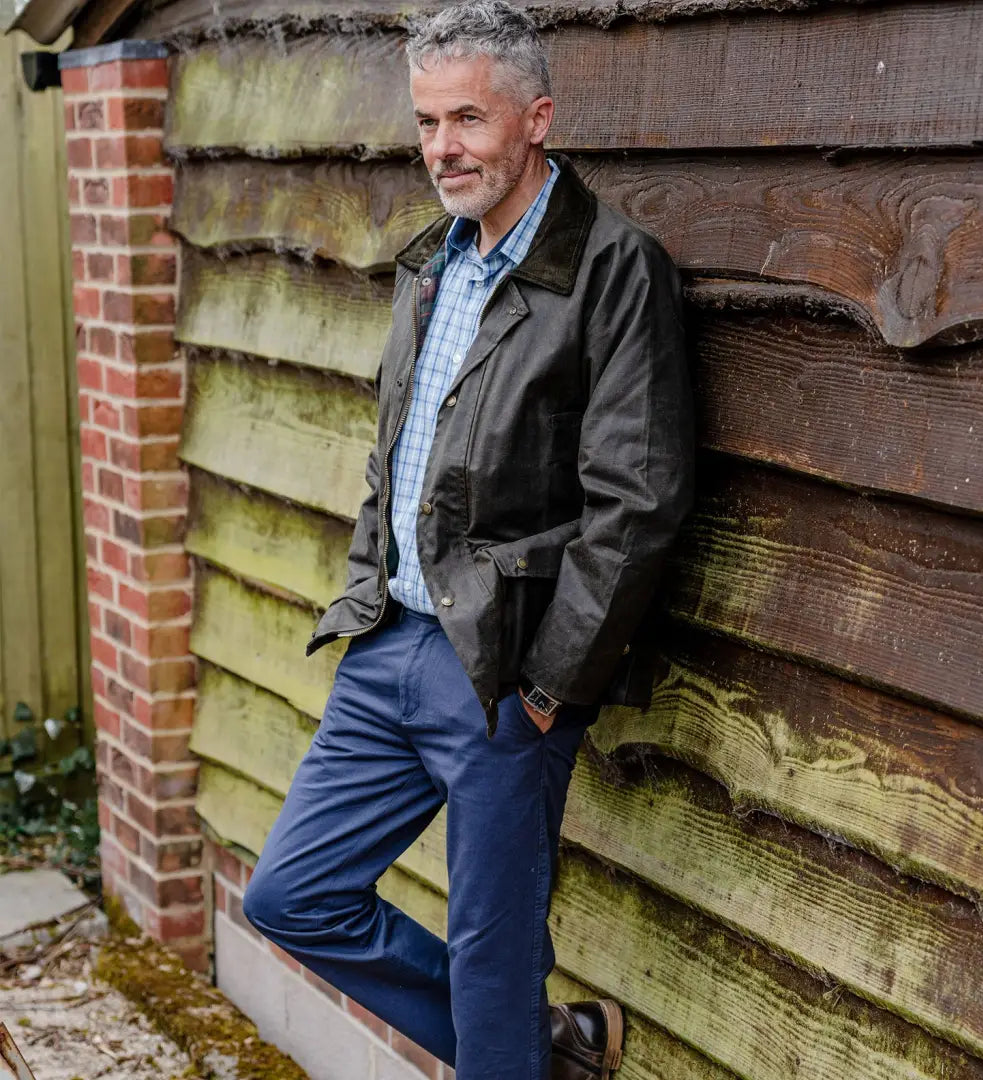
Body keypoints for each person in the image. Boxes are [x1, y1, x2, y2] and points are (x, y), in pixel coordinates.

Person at [241, 3, 694, 1077]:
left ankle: (511, 1046)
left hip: (505, 672)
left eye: (469, 120)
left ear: (536, 119)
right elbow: (393, 455)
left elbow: (638, 500)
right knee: (290, 894)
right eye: (427, 121)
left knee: (492, 963)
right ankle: (542, 1052)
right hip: (389, 644)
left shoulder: (614, 269)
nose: (443, 147)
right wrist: (368, 582)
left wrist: (549, 688)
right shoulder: (430, 264)